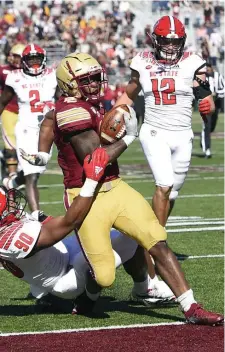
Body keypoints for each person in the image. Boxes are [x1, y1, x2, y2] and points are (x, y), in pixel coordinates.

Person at [21, 52, 223, 325]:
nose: (94, 84)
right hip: (86, 196)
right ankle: (86, 298)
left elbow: (47, 119)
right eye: (87, 80)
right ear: (70, 84)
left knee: (156, 237)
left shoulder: (68, 106)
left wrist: (43, 154)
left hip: (115, 187)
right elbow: (95, 159)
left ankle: (191, 307)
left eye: (95, 78)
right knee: (104, 275)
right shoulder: (71, 113)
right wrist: (129, 136)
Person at [115, 15, 215, 283]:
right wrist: (116, 111)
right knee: (164, 184)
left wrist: (208, 105)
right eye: (166, 41)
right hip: (154, 131)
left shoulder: (194, 63)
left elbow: (207, 97)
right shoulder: (143, 62)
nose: (170, 46)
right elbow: (130, 93)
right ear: (155, 40)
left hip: (183, 135)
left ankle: (148, 238)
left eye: (175, 41)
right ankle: (155, 251)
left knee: (171, 194)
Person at [0, 147, 109, 305]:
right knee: (118, 242)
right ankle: (88, 301)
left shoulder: (8, 226)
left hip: (54, 261)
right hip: (62, 281)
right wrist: (91, 181)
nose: (13, 203)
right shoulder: (10, 239)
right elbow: (70, 222)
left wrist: (40, 219)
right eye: (8, 204)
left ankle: (40, 291)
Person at [0, 44, 59, 212]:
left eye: (37, 59)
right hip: (26, 129)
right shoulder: (14, 77)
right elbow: (3, 102)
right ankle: (36, 214)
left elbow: (61, 100)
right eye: (30, 59)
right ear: (24, 61)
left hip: (47, 130)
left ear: (43, 60)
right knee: (31, 175)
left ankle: (11, 183)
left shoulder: (52, 76)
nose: (34, 63)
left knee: (38, 169)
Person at [0, 43, 25, 183]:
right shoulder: (3, 71)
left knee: (25, 143)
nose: (17, 60)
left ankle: (6, 160)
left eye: (20, 57)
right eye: (15, 56)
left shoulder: (29, 73)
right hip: (8, 110)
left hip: (26, 112)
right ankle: (12, 174)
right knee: (10, 142)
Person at [200, 63, 225, 158]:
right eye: (206, 69)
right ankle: (207, 149)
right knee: (207, 126)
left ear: (212, 69)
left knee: (212, 126)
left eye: (208, 69)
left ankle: (204, 140)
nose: (207, 70)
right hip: (205, 104)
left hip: (215, 103)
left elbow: (223, 88)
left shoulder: (218, 76)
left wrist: (217, 94)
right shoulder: (201, 77)